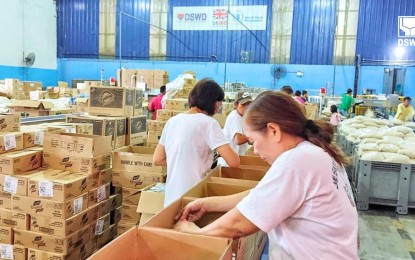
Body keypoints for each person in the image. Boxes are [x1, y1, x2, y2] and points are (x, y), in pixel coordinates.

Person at [174, 91, 358, 260]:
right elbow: (259, 195)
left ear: (273, 131)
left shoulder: (296, 161)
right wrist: (209, 204)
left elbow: (238, 224)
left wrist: (192, 234)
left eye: (253, 141)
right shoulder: (314, 153)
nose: (254, 150)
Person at [153, 78, 240, 207]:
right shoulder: (209, 123)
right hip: (193, 195)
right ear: (211, 100)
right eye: (219, 101)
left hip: (171, 196)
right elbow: (234, 162)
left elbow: (157, 159)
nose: (219, 106)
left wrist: (185, 160)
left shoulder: (172, 121)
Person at [217, 91, 252, 166]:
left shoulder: (242, 116)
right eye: (243, 104)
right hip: (228, 163)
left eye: (249, 104)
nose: (246, 107)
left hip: (234, 160)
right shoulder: (235, 117)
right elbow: (238, 140)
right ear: (236, 104)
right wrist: (254, 135)